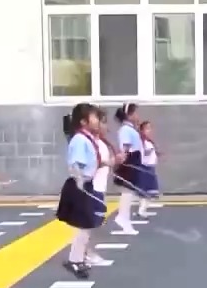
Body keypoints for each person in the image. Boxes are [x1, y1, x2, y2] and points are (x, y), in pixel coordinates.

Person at [56, 104, 117, 278]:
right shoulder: (80, 139)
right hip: (81, 185)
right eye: (95, 118)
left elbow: (91, 161)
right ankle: (75, 260)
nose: (98, 121)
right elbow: (75, 164)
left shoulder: (87, 139)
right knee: (85, 225)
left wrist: (106, 163)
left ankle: (78, 258)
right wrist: (80, 182)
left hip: (86, 184)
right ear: (83, 121)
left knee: (87, 225)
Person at [112, 103, 144, 234]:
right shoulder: (125, 129)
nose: (137, 115)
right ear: (129, 115)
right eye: (135, 113)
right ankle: (123, 217)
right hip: (130, 159)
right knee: (127, 190)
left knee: (129, 191)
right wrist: (122, 162)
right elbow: (125, 147)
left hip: (134, 159)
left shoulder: (130, 128)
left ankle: (124, 217)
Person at [137, 120, 162, 216]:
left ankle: (142, 208)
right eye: (147, 128)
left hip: (150, 168)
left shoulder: (148, 142)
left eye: (150, 128)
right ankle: (141, 209)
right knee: (146, 192)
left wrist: (157, 153)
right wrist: (149, 151)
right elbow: (142, 154)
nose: (149, 131)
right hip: (145, 168)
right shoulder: (141, 142)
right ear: (142, 131)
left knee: (148, 192)